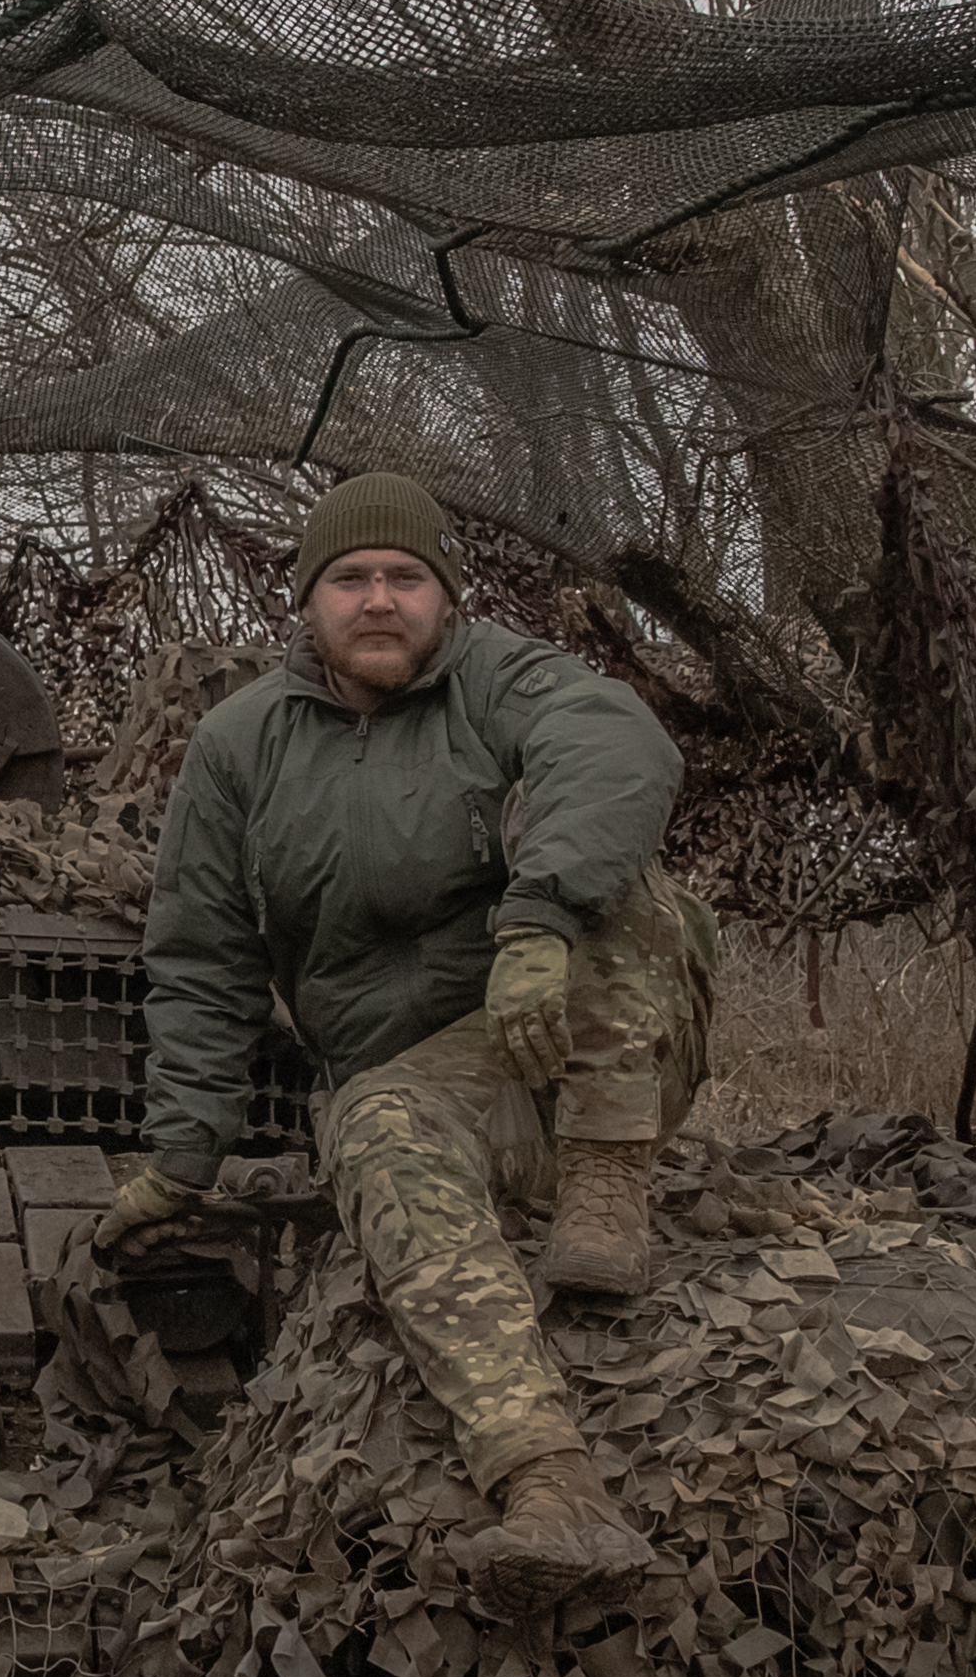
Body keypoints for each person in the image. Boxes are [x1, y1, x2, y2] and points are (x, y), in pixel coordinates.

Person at [96, 474, 719, 1605]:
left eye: (404, 577)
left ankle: (604, 1178)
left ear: (446, 597)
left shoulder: (504, 681)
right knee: (374, 1120)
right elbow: (201, 955)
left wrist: (538, 918)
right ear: (306, 600)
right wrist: (181, 1156)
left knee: (616, 867)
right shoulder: (239, 744)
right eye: (350, 578)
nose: (378, 599)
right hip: (427, 1086)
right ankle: (551, 1483)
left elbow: (620, 743)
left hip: (582, 1045)